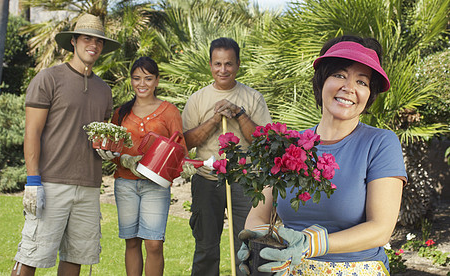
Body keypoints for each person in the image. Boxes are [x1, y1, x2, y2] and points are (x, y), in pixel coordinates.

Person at [240, 35, 407, 275]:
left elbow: (380, 229)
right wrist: (257, 245)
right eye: (339, 75)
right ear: (321, 82)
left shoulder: (380, 143)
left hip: (355, 268)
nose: (349, 88)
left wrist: (310, 245)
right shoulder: (287, 144)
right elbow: (257, 215)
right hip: (288, 268)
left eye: (362, 82)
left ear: (370, 95)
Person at [12, 13, 120, 276]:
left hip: (89, 187)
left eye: (98, 41)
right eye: (86, 38)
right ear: (73, 41)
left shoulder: (104, 90)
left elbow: (100, 136)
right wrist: (33, 181)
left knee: (76, 258)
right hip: (50, 183)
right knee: (31, 254)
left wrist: (108, 150)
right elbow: (32, 133)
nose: (93, 45)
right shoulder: (49, 79)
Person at [182, 37, 272, 276]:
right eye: (218, 64)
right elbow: (187, 142)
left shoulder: (253, 98)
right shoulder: (198, 99)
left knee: (247, 247)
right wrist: (213, 120)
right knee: (205, 247)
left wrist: (239, 114)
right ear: (210, 65)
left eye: (229, 64)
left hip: (245, 182)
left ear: (238, 65)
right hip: (207, 181)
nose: (223, 70)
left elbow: (263, 143)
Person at [98, 57, 186, 276]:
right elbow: (112, 149)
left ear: (156, 81)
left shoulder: (169, 112)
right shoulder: (121, 113)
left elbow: (180, 150)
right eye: (137, 78)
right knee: (132, 242)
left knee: (154, 244)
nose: (142, 84)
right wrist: (122, 159)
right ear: (131, 81)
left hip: (156, 186)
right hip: (125, 184)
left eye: (148, 78)